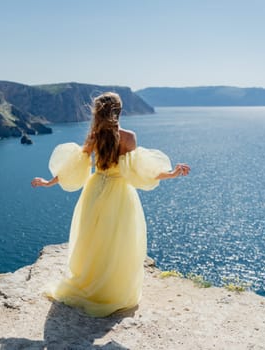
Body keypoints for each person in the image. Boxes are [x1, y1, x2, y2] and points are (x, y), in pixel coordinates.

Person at [31, 92, 190, 317]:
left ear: (98, 112)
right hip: (119, 193)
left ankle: (89, 284)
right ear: (119, 111)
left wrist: (49, 182)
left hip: (95, 191)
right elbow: (143, 172)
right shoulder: (128, 137)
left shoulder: (94, 136)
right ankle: (111, 290)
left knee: (92, 239)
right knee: (117, 243)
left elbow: (73, 166)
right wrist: (173, 174)